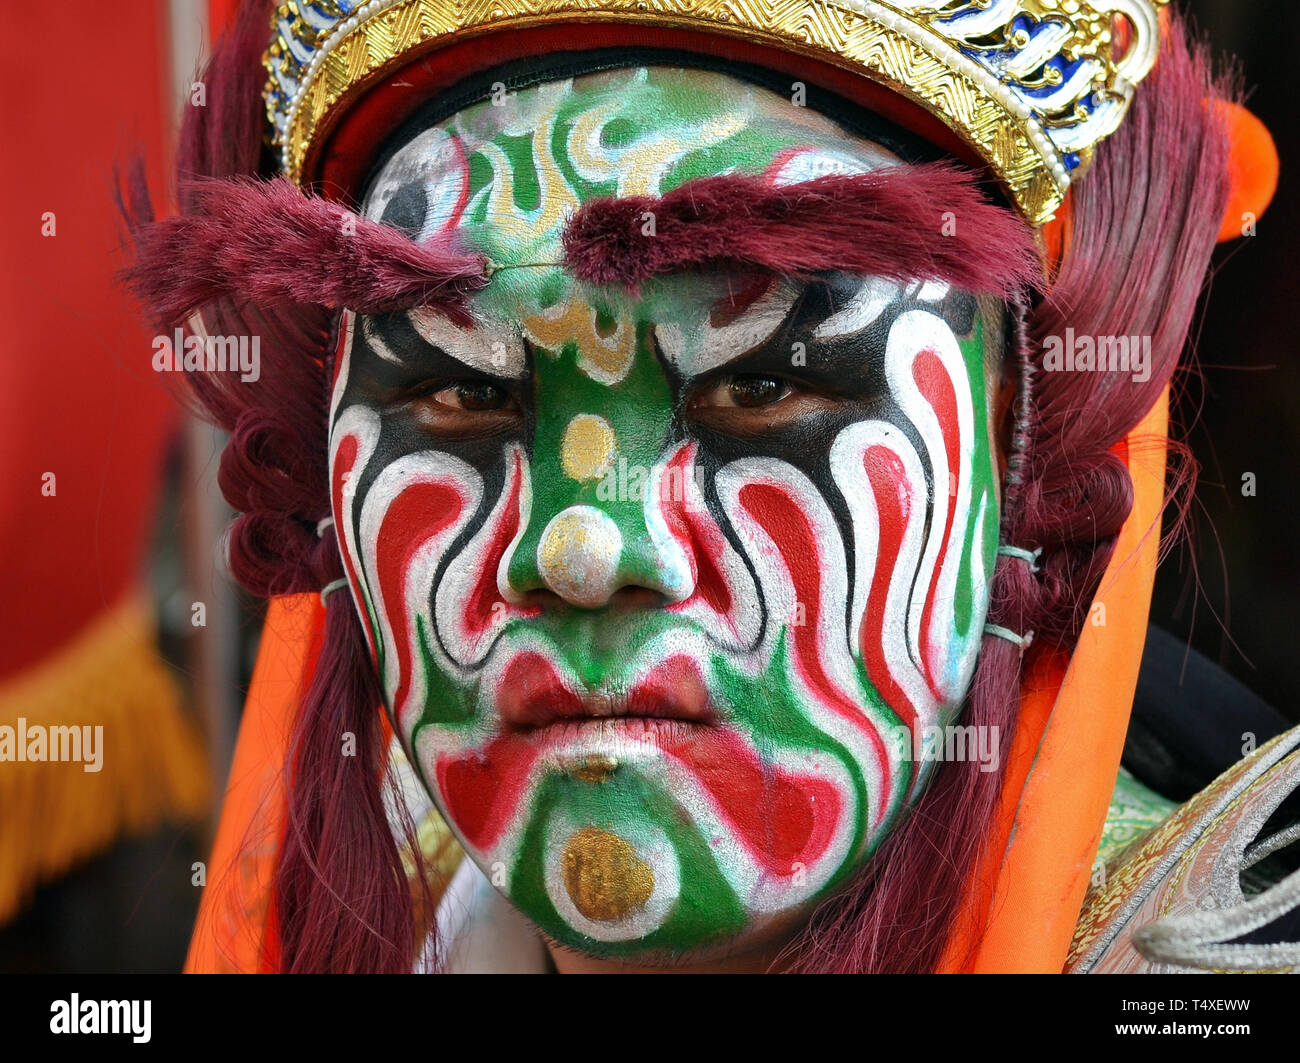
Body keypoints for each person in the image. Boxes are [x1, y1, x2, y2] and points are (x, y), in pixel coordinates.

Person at [125, 0, 1294, 973]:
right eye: (462, 395)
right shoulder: (407, 928)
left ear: (1020, 443)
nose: (584, 547)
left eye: (767, 386)